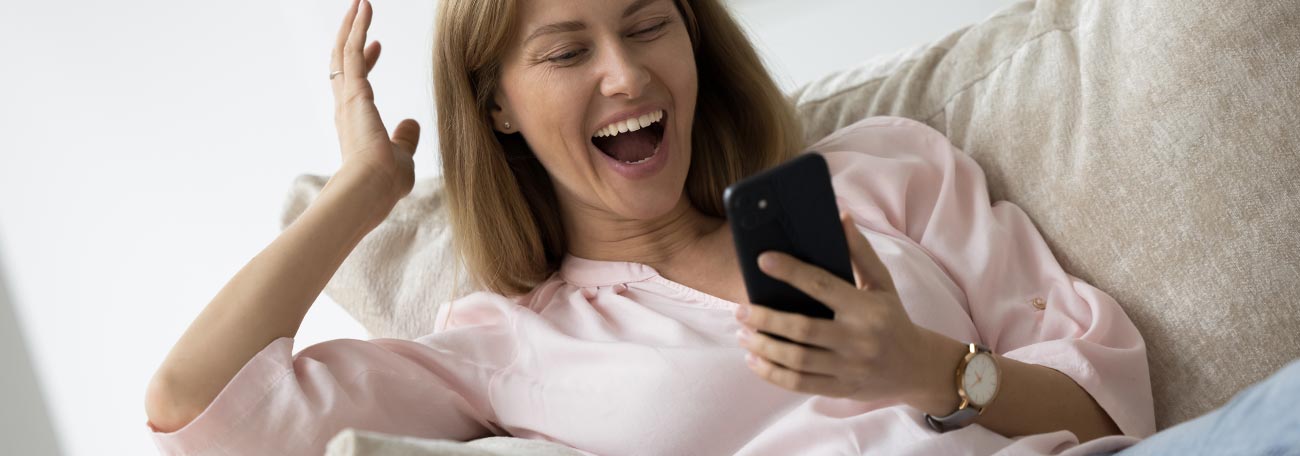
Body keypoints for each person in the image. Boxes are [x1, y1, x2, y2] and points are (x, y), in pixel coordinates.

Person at [143, 0, 1169, 454]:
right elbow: (201, 417)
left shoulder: (883, 174)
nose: (625, 75)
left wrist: (927, 368)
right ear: (495, 104)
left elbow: (1113, 412)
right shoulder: (508, 342)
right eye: (565, 51)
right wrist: (364, 190)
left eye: (646, 25)